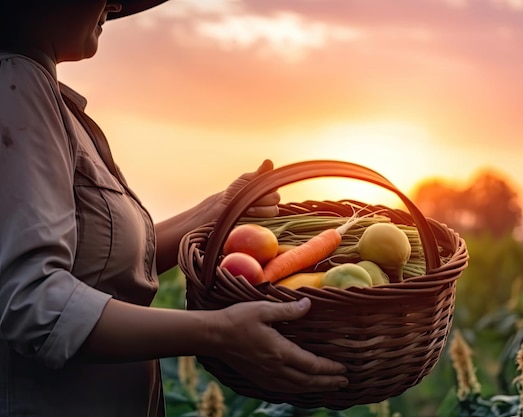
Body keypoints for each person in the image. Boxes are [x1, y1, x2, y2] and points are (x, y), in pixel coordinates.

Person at [0, 1, 348, 416]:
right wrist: (217, 332)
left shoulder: (47, 99)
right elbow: (33, 303)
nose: (114, 5)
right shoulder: (16, 86)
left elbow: (111, 269)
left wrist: (221, 207)